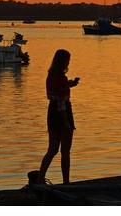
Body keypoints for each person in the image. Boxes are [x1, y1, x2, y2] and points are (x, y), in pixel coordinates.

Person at [38, 49, 80, 184]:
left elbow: (56, 92)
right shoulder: (61, 77)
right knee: (65, 151)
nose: (69, 62)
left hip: (52, 112)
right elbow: (61, 100)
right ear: (63, 62)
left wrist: (69, 84)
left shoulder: (51, 76)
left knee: (52, 149)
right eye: (68, 60)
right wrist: (66, 121)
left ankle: (40, 177)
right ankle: (66, 182)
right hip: (62, 112)